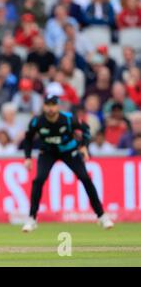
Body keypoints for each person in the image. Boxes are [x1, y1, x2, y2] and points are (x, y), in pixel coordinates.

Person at [22, 94, 114, 232]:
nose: (50, 108)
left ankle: (102, 216)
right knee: (38, 180)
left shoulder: (68, 119)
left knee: (85, 178)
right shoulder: (37, 121)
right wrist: (28, 157)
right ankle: (32, 218)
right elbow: (28, 138)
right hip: (47, 152)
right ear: (43, 106)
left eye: (53, 105)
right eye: (48, 105)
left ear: (58, 106)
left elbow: (86, 129)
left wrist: (83, 146)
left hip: (69, 151)